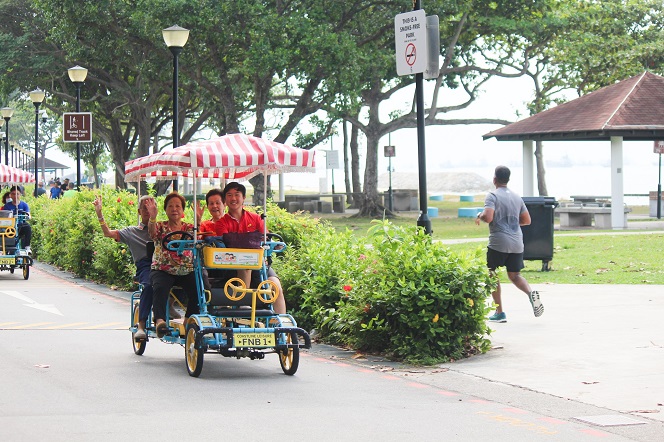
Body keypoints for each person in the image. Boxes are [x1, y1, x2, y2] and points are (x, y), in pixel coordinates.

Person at [475, 165, 543, 322]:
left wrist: (480, 214)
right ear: (508, 179)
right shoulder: (516, 197)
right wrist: (510, 221)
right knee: (515, 275)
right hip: (517, 243)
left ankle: (499, 313)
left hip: (499, 242)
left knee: (492, 275)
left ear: (494, 179)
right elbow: (527, 220)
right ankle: (530, 294)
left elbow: (489, 217)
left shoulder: (492, 195)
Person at [213, 182, 287, 315]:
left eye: (237, 195)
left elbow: (267, 240)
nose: (233, 198)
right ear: (225, 200)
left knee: (275, 285)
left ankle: (281, 323)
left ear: (243, 197)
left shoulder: (256, 219)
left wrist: (269, 249)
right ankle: (244, 304)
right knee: (245, 264)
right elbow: (223, 247)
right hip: (234, 267)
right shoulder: (221, 223)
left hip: (260, 265)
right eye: (229, 195)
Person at [93, 194, 160, 340]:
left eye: (151, 207)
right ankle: (141, 324)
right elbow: (108, 233)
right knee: (149, 286)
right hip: (146, 265)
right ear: (139, 211)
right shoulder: (131, 232)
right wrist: (99, 214)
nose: (148, 210)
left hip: (164, 264)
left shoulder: (162, 228)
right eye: (144, 208)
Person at [145, 193, 200, 337]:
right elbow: (152, 233)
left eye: (178, 206)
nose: (174, 209)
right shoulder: (160, 226)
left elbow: (198, 239)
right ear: (165, 209)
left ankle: (188, 321)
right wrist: (152, 217)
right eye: (170, 206)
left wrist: (198, 221)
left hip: (186, 269)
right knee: (160, 287)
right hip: (163, 269)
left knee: (199, 289)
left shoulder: (189, 227)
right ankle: (160, 321)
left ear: (182, 210)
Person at [1, 186, 32, 255]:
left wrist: (28, 216)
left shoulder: (24, 205)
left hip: (20, 226)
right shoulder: (7, 206)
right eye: (13, 194)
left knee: (27, 227)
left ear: (20, 194)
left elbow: (29, 215)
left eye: (17, 194)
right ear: (10, 195)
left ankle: (27, 247)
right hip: (10, 228)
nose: (15, 196)